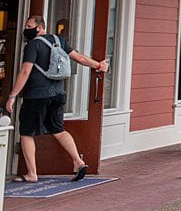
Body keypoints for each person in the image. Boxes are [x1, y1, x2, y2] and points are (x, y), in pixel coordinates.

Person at [6, 15, 110, 183]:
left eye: (29, 25)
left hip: (37, 95)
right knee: (58, 129)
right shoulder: (59, 40)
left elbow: (25, 72)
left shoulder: (33, 45)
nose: (26, 28)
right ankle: (78, 161)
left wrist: (12, 96)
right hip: (58, 93)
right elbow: (80, 58)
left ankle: (32, 174)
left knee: (26, 132)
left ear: (39, 27)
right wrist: (99, 65)